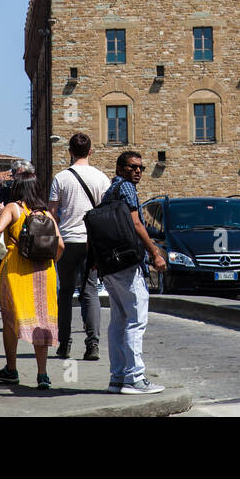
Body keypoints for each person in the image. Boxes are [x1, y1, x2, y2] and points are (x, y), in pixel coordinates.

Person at [101, 151, 168, 395]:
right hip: (127, 264)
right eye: (132, 167)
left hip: (110, 264)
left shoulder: (109, 191)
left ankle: (117, 377)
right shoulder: (127, 188)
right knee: (136, 319)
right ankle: (134, 378)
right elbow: (136, 223)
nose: (137, 171)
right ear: (120, 168)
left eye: (140, 167)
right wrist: (154, 253)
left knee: (118, 320)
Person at [0, 173, 63, 389]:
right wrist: (48, 262)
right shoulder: (46, 213)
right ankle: (43, 375)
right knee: (41, 320)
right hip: (44, 271)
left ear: (17, 190)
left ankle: (11, 369)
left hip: (16, 269)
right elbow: (61, 246)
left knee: (10, 320)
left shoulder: (13, 208)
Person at [48, 132, 109, 361]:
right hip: (91, 242)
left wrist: (57, 238)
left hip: (67, 241)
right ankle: (92, 344)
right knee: (90, 291)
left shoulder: (60, 178)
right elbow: (105, 213)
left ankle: (64, 345)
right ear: (90, 151)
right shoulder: (102, 179)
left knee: (64, 293)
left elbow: (52, 213)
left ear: (70, 152)